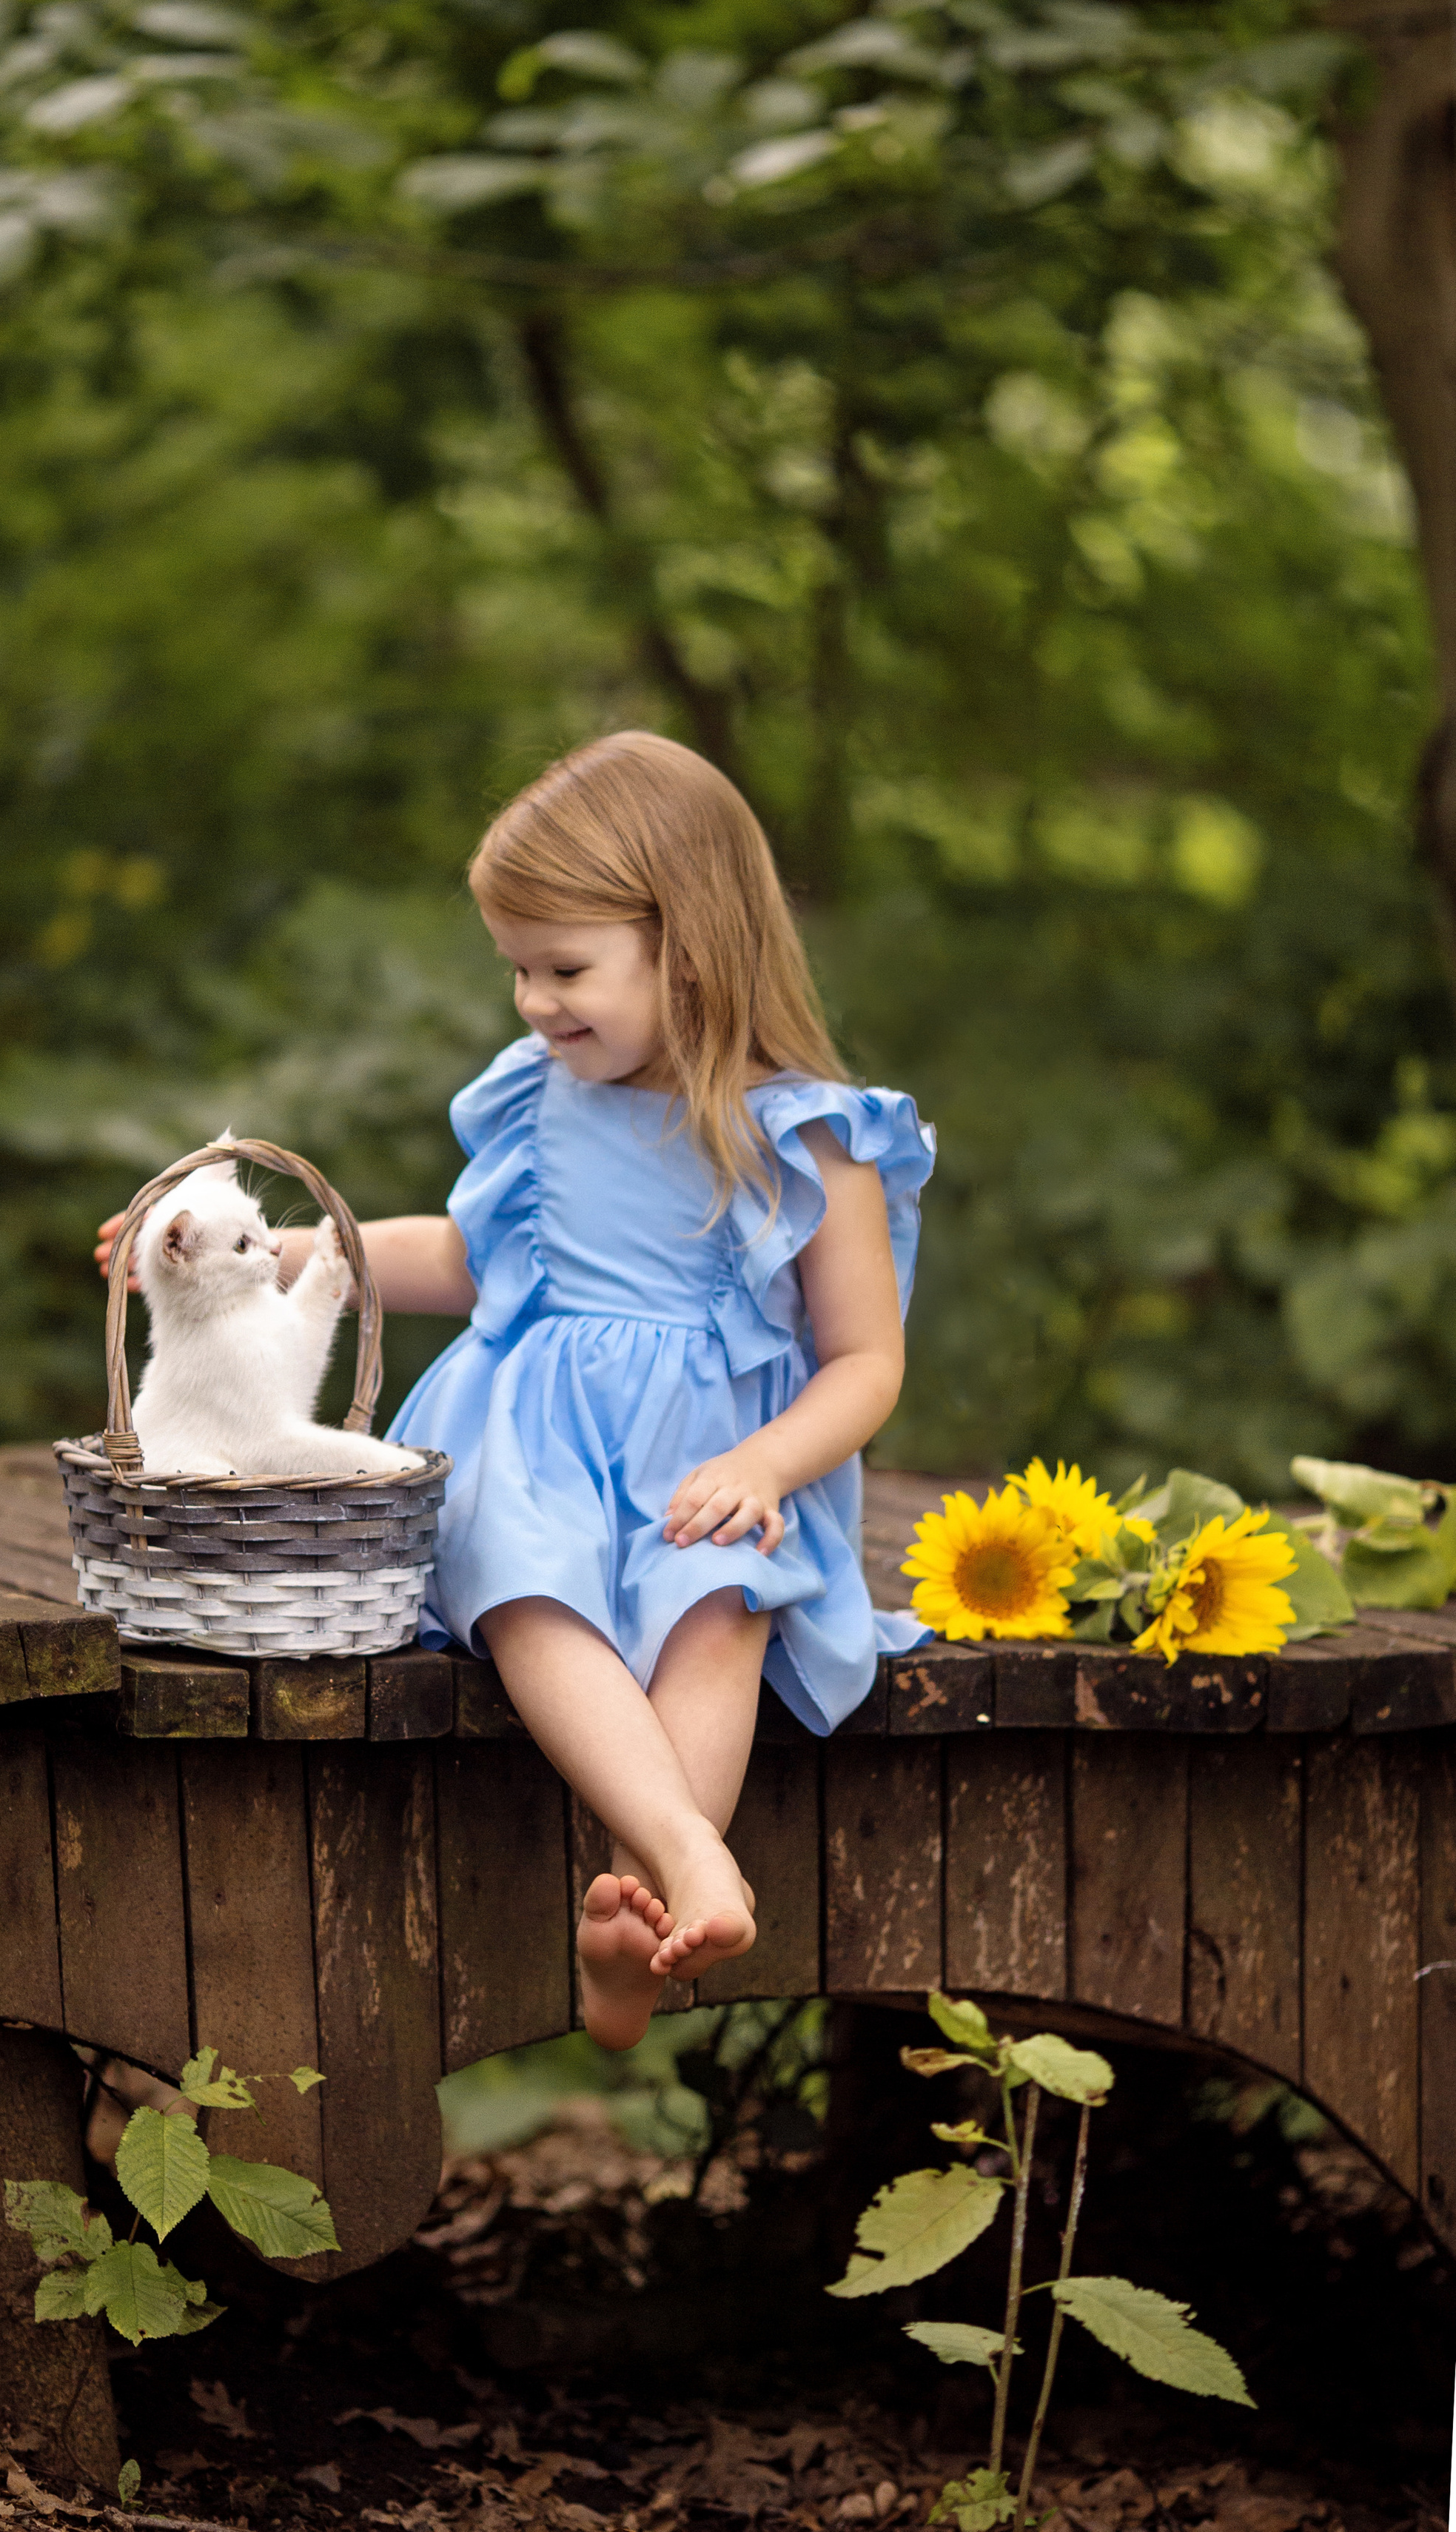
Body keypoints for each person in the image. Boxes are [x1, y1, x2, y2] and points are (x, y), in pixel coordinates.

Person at [97, 731, 934, 2049]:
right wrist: (265, 1260)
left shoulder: (809, 1141)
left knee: (722, 1607)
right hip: (531, 1445)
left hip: (710, 1467)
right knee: (522, 1583)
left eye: (568, 968)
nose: (537, 1001)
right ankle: (681, 1860)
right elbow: (467, 1261)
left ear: (693, 948)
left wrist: (771, 1466)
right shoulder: (542, 1104)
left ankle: (638, 1927)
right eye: (518, 969)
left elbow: (867, 1360)